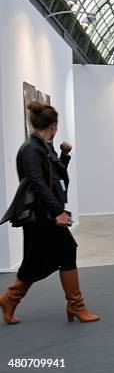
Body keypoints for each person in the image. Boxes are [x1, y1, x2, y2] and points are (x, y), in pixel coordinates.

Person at [0, 101, 99, 325]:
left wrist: (64, 154)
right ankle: (75, 306)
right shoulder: (31, 149)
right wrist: (58, 212)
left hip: (46, 213)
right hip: (39, 215)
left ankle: (11, 299)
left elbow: (57, 175)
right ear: (53, 125)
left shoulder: (43, 146)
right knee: (61, 251)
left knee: (44, 257)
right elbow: (38, 183)